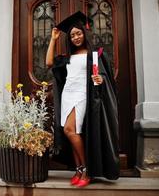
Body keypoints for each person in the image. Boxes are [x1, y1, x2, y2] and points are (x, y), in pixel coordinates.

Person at [46, 11, 119, 187]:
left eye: (78, 33)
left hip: (82, 95)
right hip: (67, 95)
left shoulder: (95, 55)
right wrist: (53, 39)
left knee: (70, 130)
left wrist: (100, 79)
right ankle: (79, 169)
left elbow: (102, 75)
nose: (76, 37)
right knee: (71, 132)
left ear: (84, 34)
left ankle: (86, 170)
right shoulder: (68, 58)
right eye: (72, 35)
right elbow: (49, 63)